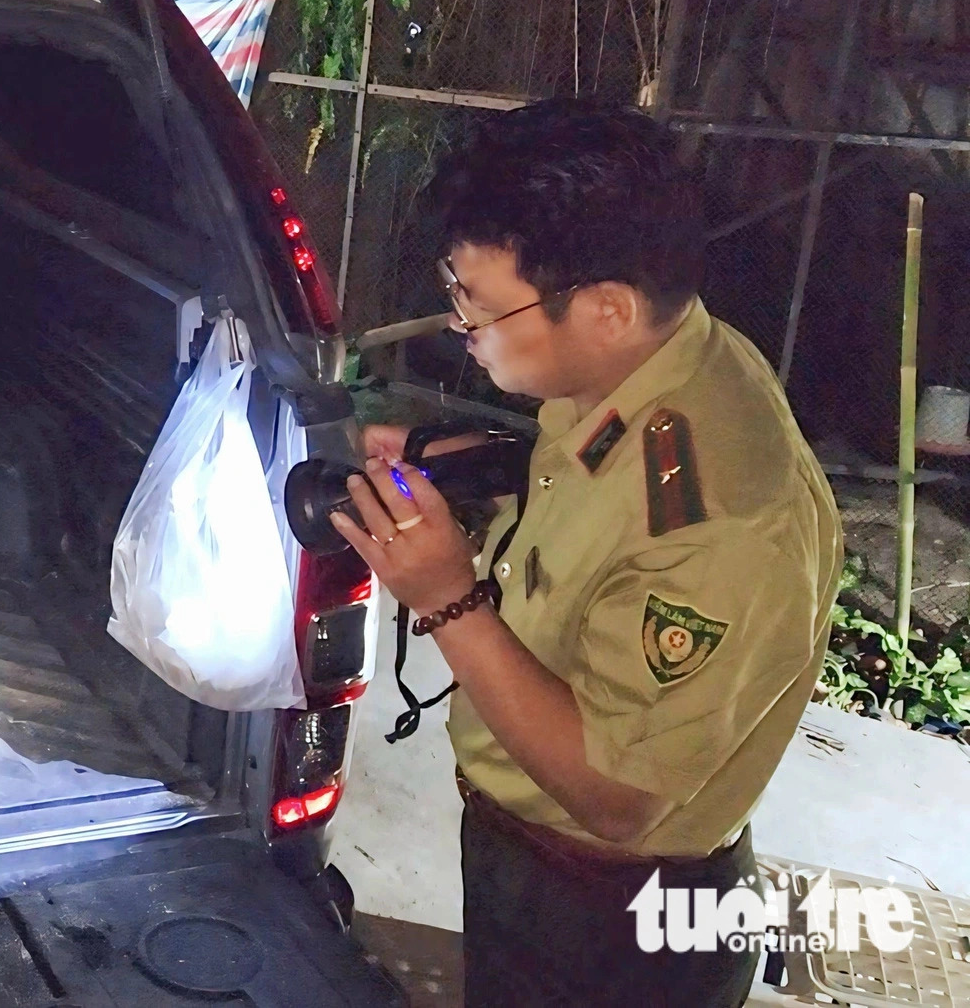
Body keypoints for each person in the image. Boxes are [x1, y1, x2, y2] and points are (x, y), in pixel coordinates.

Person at [330, 100, 840, 1008]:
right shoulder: (661, 365)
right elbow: (584, 474)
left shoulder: (719, 521)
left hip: (613, 920)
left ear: (606, 309)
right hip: (535, 864)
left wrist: (446, 597)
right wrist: (453, 459)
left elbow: (613, 795)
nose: (461, 327)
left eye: (478, 307)